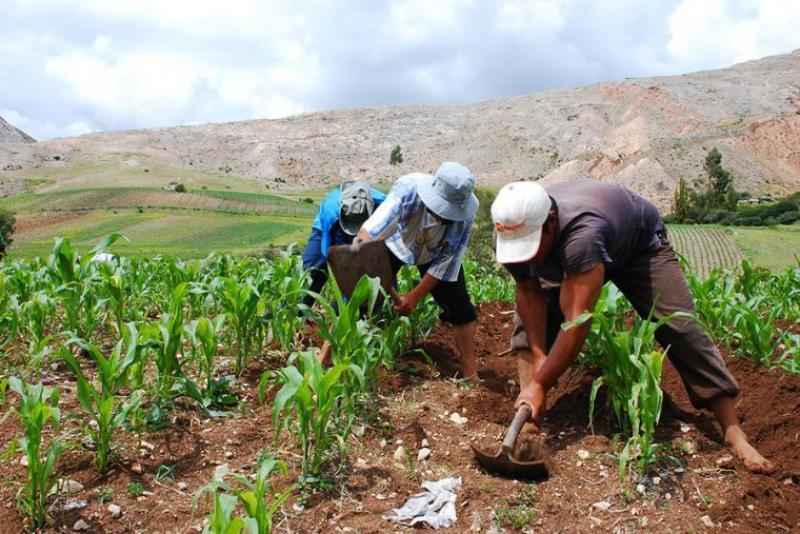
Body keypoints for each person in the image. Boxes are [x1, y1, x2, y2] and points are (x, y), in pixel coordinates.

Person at [491, 178, 774, 473]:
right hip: (571, 249)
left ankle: (732, 430)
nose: (527, 255)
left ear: (550, 221)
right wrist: (538, 360)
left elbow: (576, 323)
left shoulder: (582, 235)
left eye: (531, 245)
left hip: (638, 244)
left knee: (678, 325)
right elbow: (528, 291)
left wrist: (541, 382)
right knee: (527, 328)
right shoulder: (509, 231)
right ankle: (530, 422)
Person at [353, 161, 481, 382]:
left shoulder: (464, 215)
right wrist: (378, 271)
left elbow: (445, 263)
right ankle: (366, 364)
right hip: (396, 242)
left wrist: (413, 297)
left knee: (460, 306)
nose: (445, 216)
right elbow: (367, 234)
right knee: (367, 300)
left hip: (434, 251)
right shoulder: (408, 190)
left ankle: (471, 375)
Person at [300, 180, 386, 310]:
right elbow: (327, 252)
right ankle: (294, 313)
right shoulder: (330, 212)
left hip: (370, 231)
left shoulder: (384, 206)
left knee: (373, 276)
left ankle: (357, 314)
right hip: (329, 229)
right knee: (312, 272)